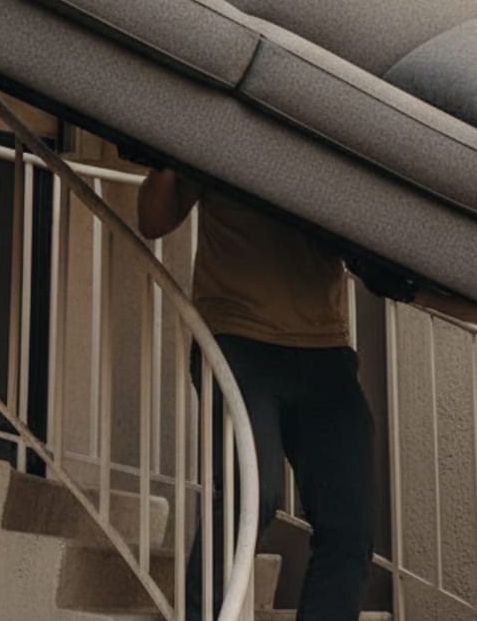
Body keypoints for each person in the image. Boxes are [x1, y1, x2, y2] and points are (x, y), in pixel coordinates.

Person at [136, 169, 375, 621]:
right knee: (253, 492)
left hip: (325, 352)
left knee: (352, 523)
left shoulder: (336, 121)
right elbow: (151, 220)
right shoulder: (217, 122)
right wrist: (168, 149)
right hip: (237, 340)